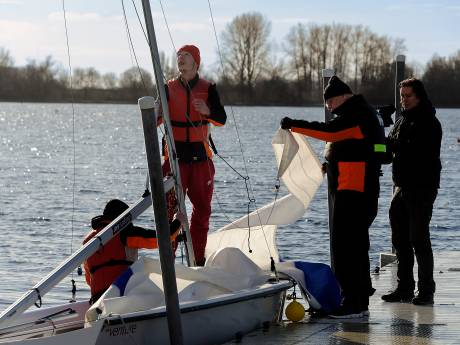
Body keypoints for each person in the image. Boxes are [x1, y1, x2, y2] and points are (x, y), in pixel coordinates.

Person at [280, 76, 385, 318]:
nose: (328, 106)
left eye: (329, 101)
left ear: (343, 96)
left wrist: (293, 124)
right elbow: (351, 147)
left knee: (347, 246)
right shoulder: (360, 112)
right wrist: (332, 165)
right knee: (354, 245)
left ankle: (353, 302)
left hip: (355, 191)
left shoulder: (358, 114)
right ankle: (357, 297)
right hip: (354, 187)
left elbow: (332, 134)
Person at [159, 44, 227, 266]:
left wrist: (207, 111)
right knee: (169, 212)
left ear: (195, 62)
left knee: (202, 211)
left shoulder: (208, 88)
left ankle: (197, 259)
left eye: (185, 55)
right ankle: (168, 260)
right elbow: (154, 120)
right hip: (175, 161)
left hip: (200, 161)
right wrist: (156, 110)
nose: (180, 58)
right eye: (178, 55)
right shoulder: (167, 88)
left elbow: (221, 119)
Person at [381, 78, 442, 306]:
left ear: (419, 96)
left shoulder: (429, 122)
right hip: (401, 185)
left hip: (422, 187)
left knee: (418, 238)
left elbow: (412, 149)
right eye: (401, 96)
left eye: (408, 96)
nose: (403, 100)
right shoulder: (401, 121)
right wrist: (375, 146)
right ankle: (404, 287)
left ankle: (426, 290)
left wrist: (386, 143)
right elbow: (388, 152)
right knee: (399, 239)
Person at [83, 199, 184, 303]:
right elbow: (163, 238)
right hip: (123, 297)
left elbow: (89, 280)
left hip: (98, 301)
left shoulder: (88, 242)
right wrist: (178, 220)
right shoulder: (124, 232)